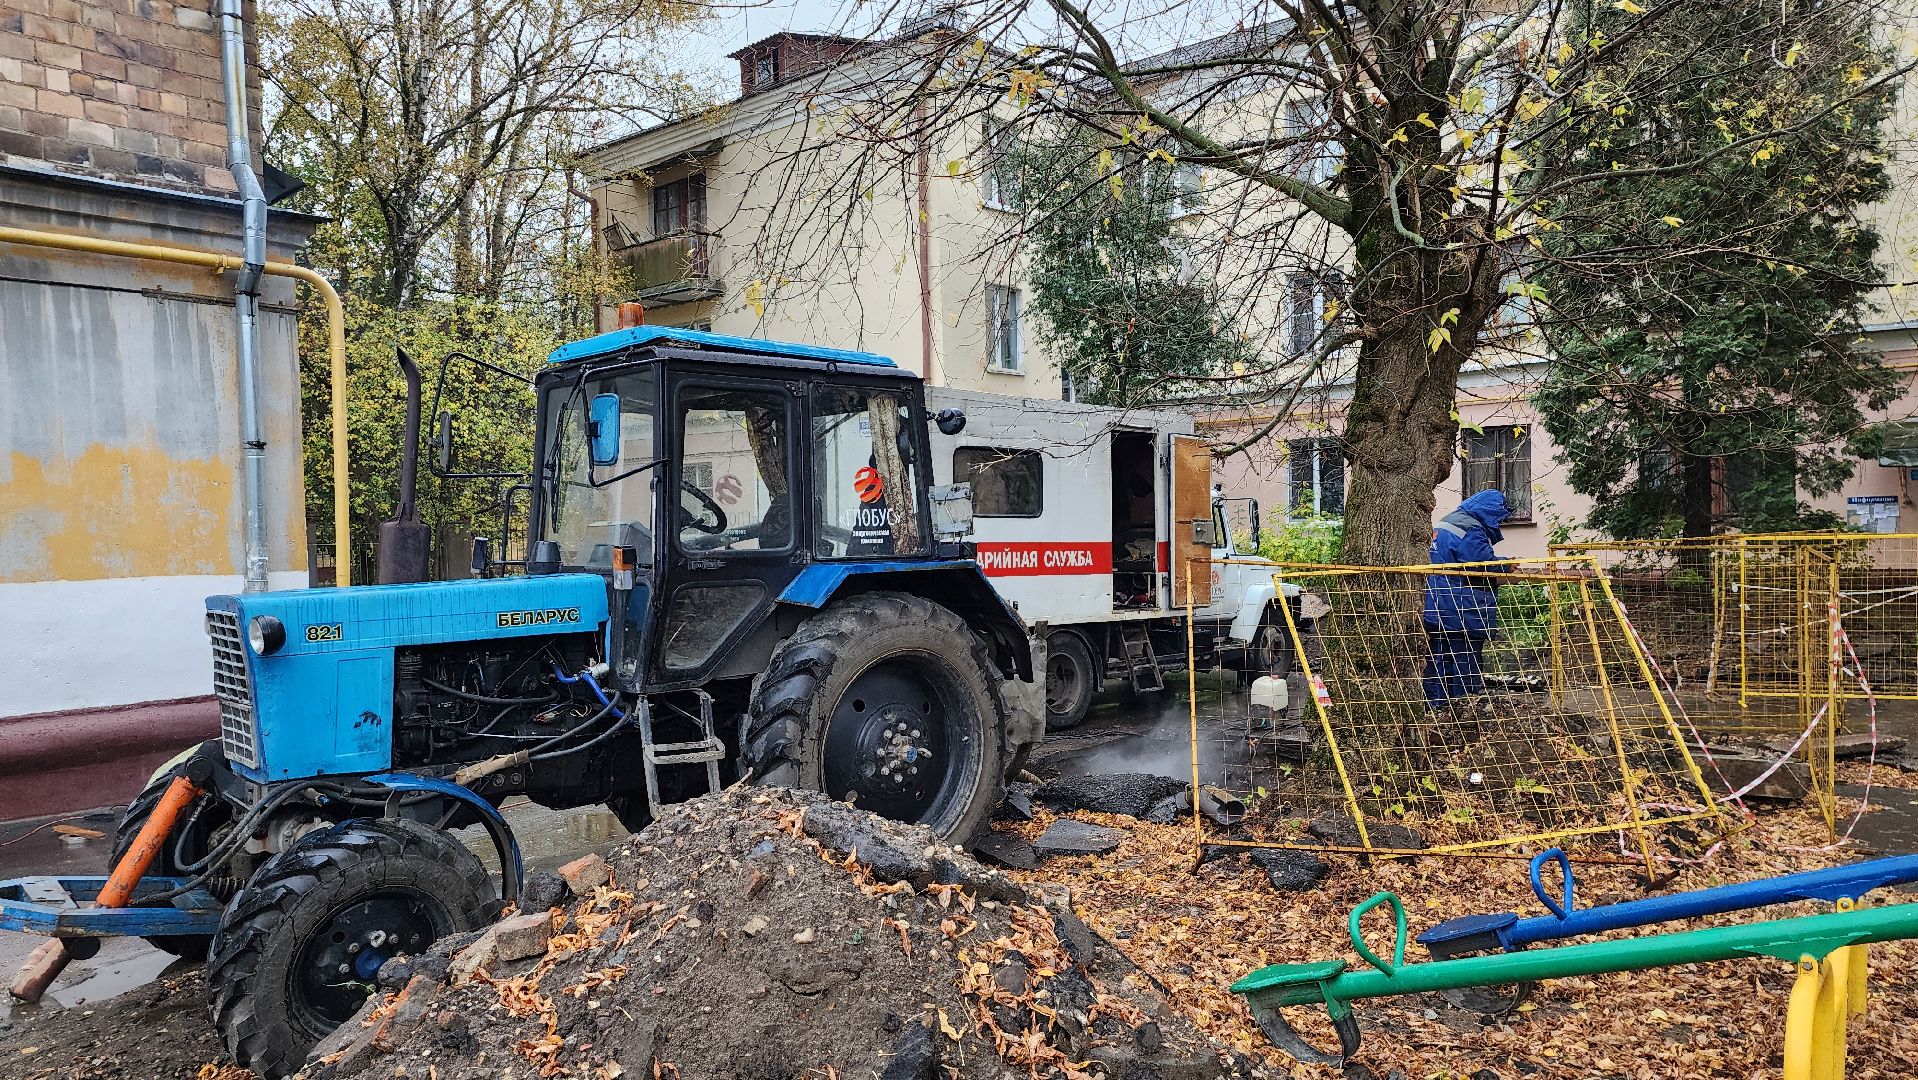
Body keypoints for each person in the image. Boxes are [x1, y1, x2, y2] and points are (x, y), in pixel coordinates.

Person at [1422, 489, 1512, 709]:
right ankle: (1463, 715)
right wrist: (1506, 564)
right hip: (1462, 609)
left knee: (1437, 662)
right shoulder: (1471, 529)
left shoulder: (1446, 522)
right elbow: (1479, 564)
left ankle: (1435, 710)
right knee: (1465, 665)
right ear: (1492, 511)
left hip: (1435, 606)